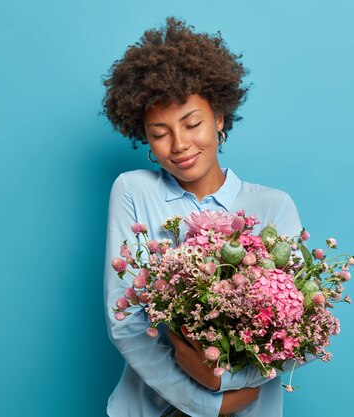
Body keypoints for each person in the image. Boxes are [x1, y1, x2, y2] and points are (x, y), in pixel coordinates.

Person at [101, 16, 315, 417]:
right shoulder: (133, 191)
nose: (179, 144)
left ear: (219, 118)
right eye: (159, 132)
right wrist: (204, 402)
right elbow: (126, 322)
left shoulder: (273, 206)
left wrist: (223, 381)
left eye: (192, 123)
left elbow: (296, 332)